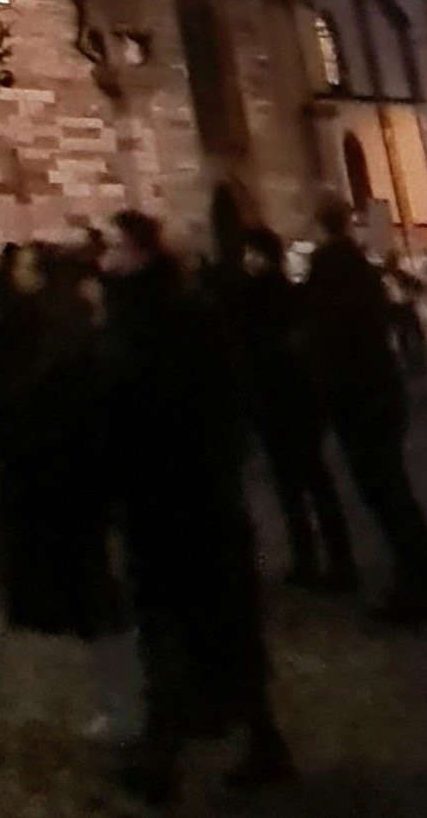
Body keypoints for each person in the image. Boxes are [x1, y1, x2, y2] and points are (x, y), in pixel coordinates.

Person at [102, 211, 291, 800]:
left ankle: (163, 753)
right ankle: (258, 741)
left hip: (171, 498)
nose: (104, 258)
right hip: (201, 496)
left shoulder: (149, 321)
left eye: (113, 247)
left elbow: (137, 402)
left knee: (171, 625)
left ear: (137, 252)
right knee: (219, 623)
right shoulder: (178, 311)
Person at [0, 244, 128, 727]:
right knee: (9, 575)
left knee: (91, 593)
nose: (16, 273)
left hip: (63, 477)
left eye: (27, 267)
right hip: (26, 474)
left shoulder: (68, 330)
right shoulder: (14, 324)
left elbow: (60, 400)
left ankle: (120, 703)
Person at [302, 197, 427, 625]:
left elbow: (327, 334)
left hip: (358, 397)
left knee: (385, 493)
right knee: (390, 490)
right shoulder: (357, 265)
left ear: (318, 225)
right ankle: (420, 581)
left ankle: (419, 588)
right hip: (377, 392)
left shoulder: (331, 267)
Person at [222, 227, 355, 592]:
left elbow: (277, 349)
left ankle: (332, 562)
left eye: (254, 252)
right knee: (296, 488)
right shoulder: (261, 296)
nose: (248, 259)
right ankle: (311, 560)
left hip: (288, 402)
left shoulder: (276, 296)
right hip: (278, 405)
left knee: (310, 485)